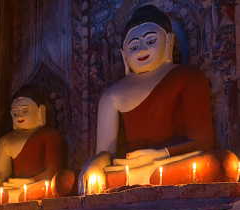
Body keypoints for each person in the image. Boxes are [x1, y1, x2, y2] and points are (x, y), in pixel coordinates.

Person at [78, 5, 224, 193]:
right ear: (123, 55)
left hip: (174, 162)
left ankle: (141, 177)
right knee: (90, 178)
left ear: (169, 43)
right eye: (133, 46)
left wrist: (159, 155)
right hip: (130, 167)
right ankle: (143, 176)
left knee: (222, 163)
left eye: (151, 40)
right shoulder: (112, 94)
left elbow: (203, 142)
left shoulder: (188, 77)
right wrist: (94, 165)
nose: (141, 50)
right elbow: (105, 152)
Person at [0, 87, 64, 208]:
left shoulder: (49, 134)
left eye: (25, 111)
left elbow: (54, 170)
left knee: (49, 188)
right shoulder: (5, 140)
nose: (19, 115)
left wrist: (30, 181)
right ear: (11, 115)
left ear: (41, 111)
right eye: (15, 112)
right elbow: (1, 174)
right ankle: (16, 197)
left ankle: (17, 197)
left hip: (37, 184)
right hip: (14, 187)